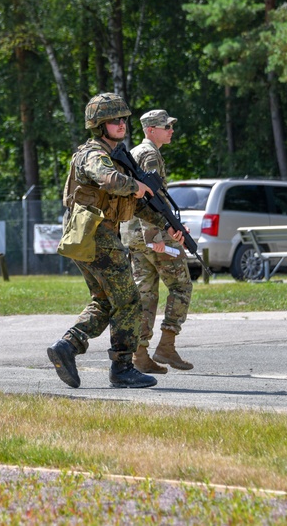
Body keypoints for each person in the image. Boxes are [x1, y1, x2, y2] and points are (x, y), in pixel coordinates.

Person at [46, 93, 184, 389]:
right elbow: (108, 179)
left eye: (123, 119)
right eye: (114, 120)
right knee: (130, 300)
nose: (121, 124)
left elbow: (140, 204)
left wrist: (168, 225)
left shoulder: (117, 155)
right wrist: (136, 185)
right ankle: (122, 368)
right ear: (99, 124)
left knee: (105, 302)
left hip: (92, 235)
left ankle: (67, 346)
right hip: (95, 234)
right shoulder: (94, 154)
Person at [120, 109, 194, 374]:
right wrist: (155, 238)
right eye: (166, 127)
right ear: (150, 130)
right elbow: (149, 199)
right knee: (182, 286)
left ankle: (140, 356)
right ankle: (166, 346)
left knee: (146, 295)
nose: (171, 130)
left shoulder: (138, 152)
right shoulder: (150, 154)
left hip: (134, 236)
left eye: (171, 126)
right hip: (151, 234)